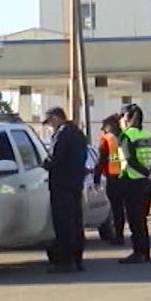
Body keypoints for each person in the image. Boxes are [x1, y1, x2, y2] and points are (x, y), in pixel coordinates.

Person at [41, 106, 88, 272]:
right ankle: (77, 259)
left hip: (62, 183)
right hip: (75, 182)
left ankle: (65, 261)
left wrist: (43, 164)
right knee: (76, 221)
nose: (50, 126)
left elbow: (54, 158)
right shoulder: (78, 133)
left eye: (50, 121)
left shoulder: (62, 134)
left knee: (63, 223)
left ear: (55, 118)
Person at [117, 104, 151, 264]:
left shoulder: (127, 135)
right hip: (146, 183)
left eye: (121, 118)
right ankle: (145, 252)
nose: (120, 121)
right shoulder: (146, 134)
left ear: (126, 118)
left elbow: (129, 159)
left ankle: (138, 252)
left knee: (135, 220)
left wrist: (144, 172)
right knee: (142, 219)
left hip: (132, 181)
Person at [94, 114, 125, 245]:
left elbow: (101, 160)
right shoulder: (126, 136)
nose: (103, 130)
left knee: (116, 208)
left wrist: (96, 178)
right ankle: (130, 235)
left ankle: (119, 236)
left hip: (113, 178)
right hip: (129, 176)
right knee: (126, 208)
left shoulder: (107, 139)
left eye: (104, 127)